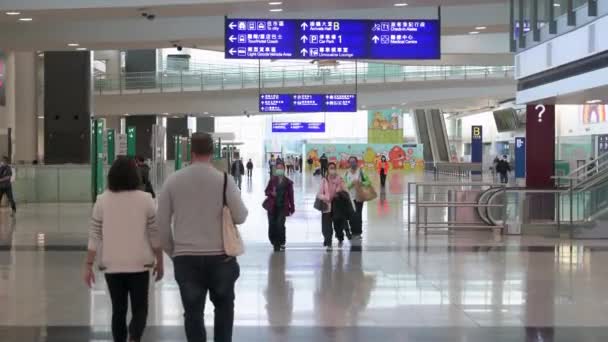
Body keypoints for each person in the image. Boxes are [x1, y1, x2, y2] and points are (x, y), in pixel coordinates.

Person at [157, 133, 248, 342]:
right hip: (221, 258)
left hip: (186, 258)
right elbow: (241, 216)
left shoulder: (173, 181)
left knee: (193, 314)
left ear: (191, 152)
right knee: (224, 309)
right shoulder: (225, 180)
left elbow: (161, 225)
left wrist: (174, 252)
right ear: (212, 152)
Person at [83, 156, 163, 342]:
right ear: (135, 176)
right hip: (139, 264)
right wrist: (160, 260)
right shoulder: (146, 199)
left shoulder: (101, 200)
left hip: (112, 265)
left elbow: (94, 235)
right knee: (140, 308)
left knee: (118, 310)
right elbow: (154, 234)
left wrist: (88, 265)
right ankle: (134, 337)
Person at [263, 161, 295, 252]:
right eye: (278, 168)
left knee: (280, 225)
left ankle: (280, 242)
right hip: (272, 206)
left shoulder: (288, 182)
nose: (280, 170)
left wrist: (292, 207)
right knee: (272, 225)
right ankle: (273, 241)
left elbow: (291, 195)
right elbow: (266, 191)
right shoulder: (272, 180)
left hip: (282, 207)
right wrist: (271, 193)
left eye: (281, 168)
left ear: (284, 169)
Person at [317, 162, 348, 250]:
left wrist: (339, 192)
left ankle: (340, 237)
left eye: (334, 168)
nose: (332, 170)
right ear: (327, 170)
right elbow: (319, 194)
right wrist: (326, 197)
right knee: (326, 226)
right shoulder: (324, 180)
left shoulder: (340, 179)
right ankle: (328, 242)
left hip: (337, 207)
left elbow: (345, 191)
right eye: (330, 168)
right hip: (326, 206)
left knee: (338, 225)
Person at [344, 156, 370, 241]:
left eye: (354, 161)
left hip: (359, 197)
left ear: (357, 162)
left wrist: (361, 182)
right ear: (349, 163)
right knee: (352, 216)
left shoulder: (361, 172)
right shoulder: (347, 173)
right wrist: (351, 184)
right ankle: (353, 232)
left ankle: (358, 233)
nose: (352, 163)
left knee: (358, 215)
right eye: (350, 162)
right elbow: (344, 185)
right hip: (350, 198)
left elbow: (368, 182)